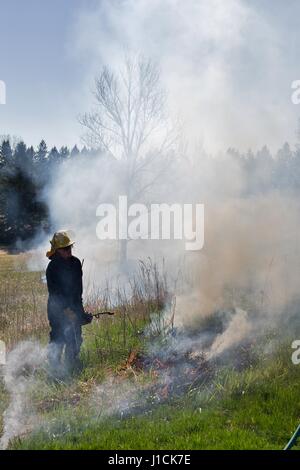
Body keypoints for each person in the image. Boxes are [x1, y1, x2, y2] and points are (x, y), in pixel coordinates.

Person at [45, 231, 92, 372]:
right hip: (57, 309)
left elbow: (78, 291)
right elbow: (55, 293)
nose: (68, 251)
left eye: (70, 247)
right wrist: (66, 311)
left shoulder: (76, 263)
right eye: (65, 248)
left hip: (74, 306)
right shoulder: (52, 267)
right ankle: (55, 369)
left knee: (75, 337)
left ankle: (71, 365)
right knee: (58, 338)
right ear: (57, 250)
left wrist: (81, 314)